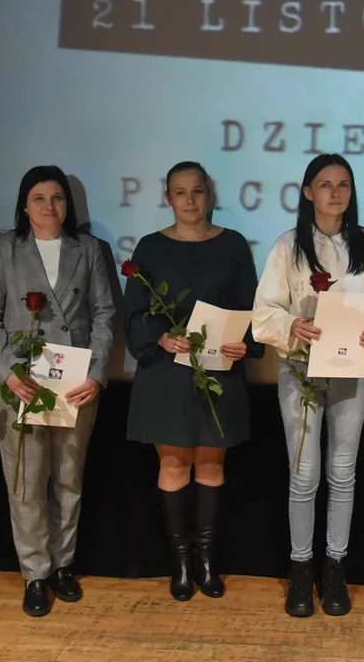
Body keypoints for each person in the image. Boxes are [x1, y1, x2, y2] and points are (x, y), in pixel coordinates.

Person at [0, 165, 116, 616]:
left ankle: (63, 565)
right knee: (27, 483)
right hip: (22, 384)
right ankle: (35, 573)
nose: (49, 206)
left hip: (76, 384)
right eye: (39, 198)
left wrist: (95, 373)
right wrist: (11, 372)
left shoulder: (90, 249)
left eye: (57, 197)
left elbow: (105, 315)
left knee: (69, 478)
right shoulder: (3, 248)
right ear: (24, 204)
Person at [123, 161, 265, 602]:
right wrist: (160, 337)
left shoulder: (234, 245)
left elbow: (250, 309)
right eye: (180, 193)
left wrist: (245, 343)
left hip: (218, 370)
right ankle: (180, 565)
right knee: (172, 465)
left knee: (211, 465)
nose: (190, 200)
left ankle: (207, 563)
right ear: (168, 198)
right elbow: (134, 315)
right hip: (166, 373)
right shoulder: (149, 247)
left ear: (210, 195)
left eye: (197, 191)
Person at [252, 154, 364, 618]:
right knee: (304, 475)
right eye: (324, 184)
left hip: (351, 370)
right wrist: (294, 325)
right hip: (300, 371)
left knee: (342, 473)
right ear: (307, 192)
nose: (334, 193)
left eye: (343, 184)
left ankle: (336, 567)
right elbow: (263, 312)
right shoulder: (289, 245)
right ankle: (301, 568)